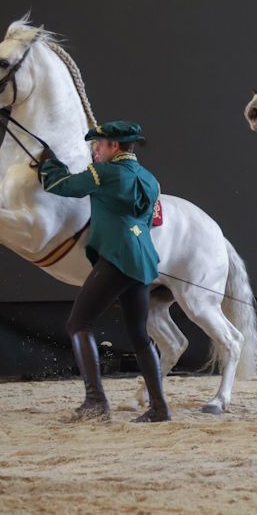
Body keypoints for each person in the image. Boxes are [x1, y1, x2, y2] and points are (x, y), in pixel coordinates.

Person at [37, 120, 169, 423]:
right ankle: (159, 408)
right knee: (139, 336)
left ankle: (95, 402)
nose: (95, 151)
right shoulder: (148, 177)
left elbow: (62, 186)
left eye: (99, 145)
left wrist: (49, 165)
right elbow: (145, 221)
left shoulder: (106, 172)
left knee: (78, 323)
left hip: (117, 257)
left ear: (114, 147)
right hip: (143, 258)